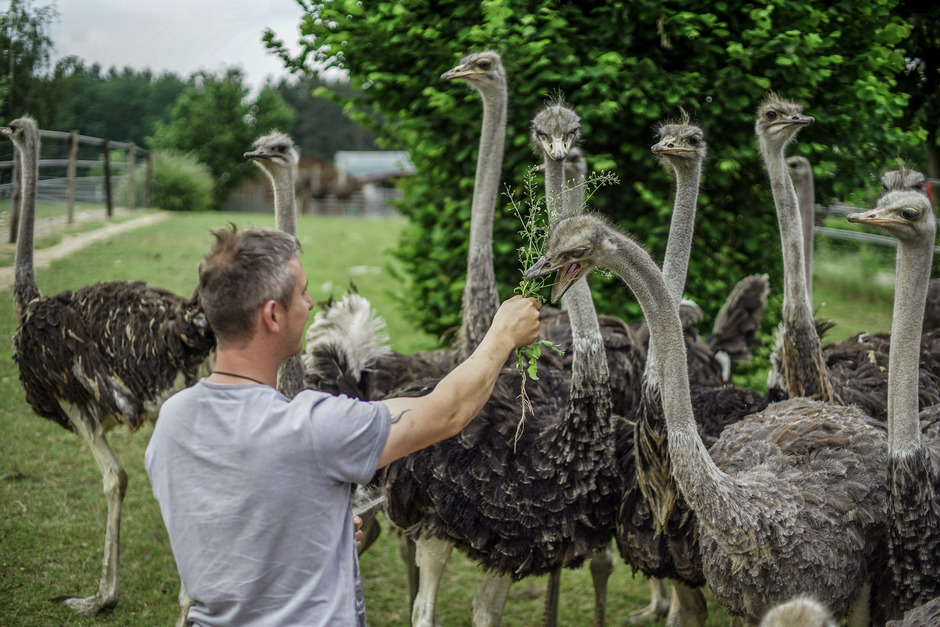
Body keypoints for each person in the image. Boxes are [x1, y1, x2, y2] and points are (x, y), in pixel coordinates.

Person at [145, 224, 541, 627]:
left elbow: (229, 528)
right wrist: (503, 335)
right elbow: (448, 412)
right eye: (302, 293)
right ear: (272, 315)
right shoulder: (314, 428)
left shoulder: (173, 421)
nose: (311, 303)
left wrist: (317, 537)